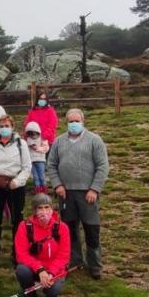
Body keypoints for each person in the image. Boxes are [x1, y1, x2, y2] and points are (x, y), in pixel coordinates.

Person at [45, 108, 110, 279]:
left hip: (88, 194)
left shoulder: (94, 140)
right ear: (66, 123)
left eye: (77, 121)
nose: (74, 124)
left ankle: (95, 265)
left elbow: (102, 166)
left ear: (83, 121)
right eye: (70, 121)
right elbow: (51, 165)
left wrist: (94, 189)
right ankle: (75, 261)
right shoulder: (59, 142)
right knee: (69, 229)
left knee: (91, 229)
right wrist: (57, 184)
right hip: (66, 194)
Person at [0, 115, 32, 262]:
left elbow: (27, 167)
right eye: (2, 126)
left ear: (12, 127)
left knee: (17, 221)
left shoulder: (21, 144)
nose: (4, 128)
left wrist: (17, 181)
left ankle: (18, 254)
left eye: (7, 125)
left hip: (15, 186)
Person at [13, 194, 70, 297]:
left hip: (54, 270)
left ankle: (48, 291)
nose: (44, 212)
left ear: (52, 208)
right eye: (40, 208)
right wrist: (40, 269)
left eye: (47, 207)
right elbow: (21, 254)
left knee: (52, 292)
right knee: (21, 270)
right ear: (34, 210)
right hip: (34, 268)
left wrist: (51, 273)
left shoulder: (62, 227)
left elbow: (64, 256)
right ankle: (30, 294)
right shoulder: (24, 226)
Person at [24, 122, 51, 194]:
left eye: (33, 133)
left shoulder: (42, 139)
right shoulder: (28, 140)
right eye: (30, 133)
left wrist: (37, 148)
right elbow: (26, 150)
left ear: (37, 131)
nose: (32, 135)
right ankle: (38, 190)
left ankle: (44, 189)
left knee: (41, 175)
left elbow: (46, 149)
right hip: (32, 161)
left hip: (40, 160)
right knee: (35, 177)